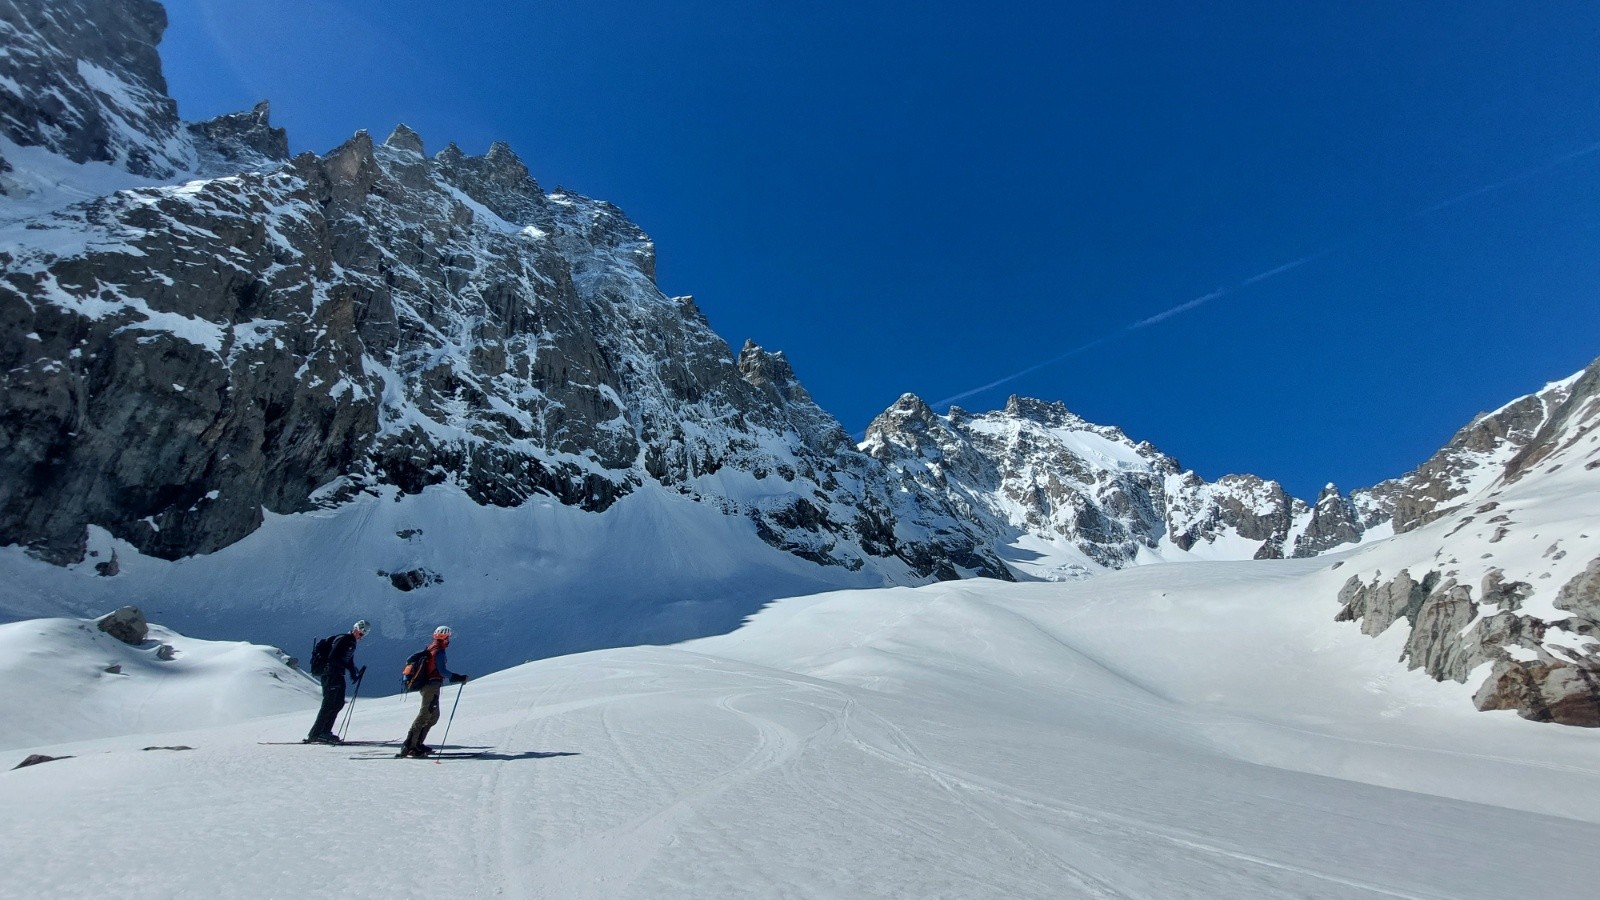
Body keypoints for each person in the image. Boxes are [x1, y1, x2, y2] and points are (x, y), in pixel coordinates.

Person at [400, 625, 470, 757]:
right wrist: (458, 677)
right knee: (425, 715)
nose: (449, 640)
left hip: (427, 686)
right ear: (445, 637)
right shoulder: (439, 651)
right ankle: (410, 745)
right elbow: (442, 671)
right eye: (448, 637)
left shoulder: (431, 647)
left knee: (432, 716)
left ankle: (416, 744)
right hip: (431, 686)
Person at [305, 619, 369, 744]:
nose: (361, 637)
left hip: (336, 674)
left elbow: (347, 659)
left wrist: (352, 671)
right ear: (356, 629)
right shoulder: (345, 639)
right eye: (361, 633)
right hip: (331, 674)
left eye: (363, 635)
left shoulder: (350, 641)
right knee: (329, 703)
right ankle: (317, 733)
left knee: (338, 703)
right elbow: (333, 658)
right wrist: (349, 669)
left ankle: (324, 731)